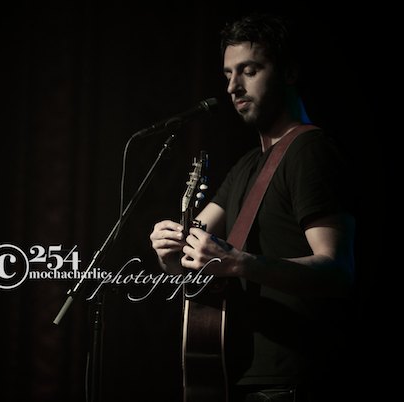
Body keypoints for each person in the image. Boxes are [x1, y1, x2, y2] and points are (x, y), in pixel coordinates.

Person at [149, 13, 356, 402]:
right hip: (237, 375)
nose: (233, 86)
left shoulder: (309, 151)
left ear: (289, 72)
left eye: (249, 70)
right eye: (228, 74)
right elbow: (192, 252)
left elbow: (337, 271)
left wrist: (240, 263)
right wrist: (169, 251)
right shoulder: (247, 165)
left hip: (289, 380)